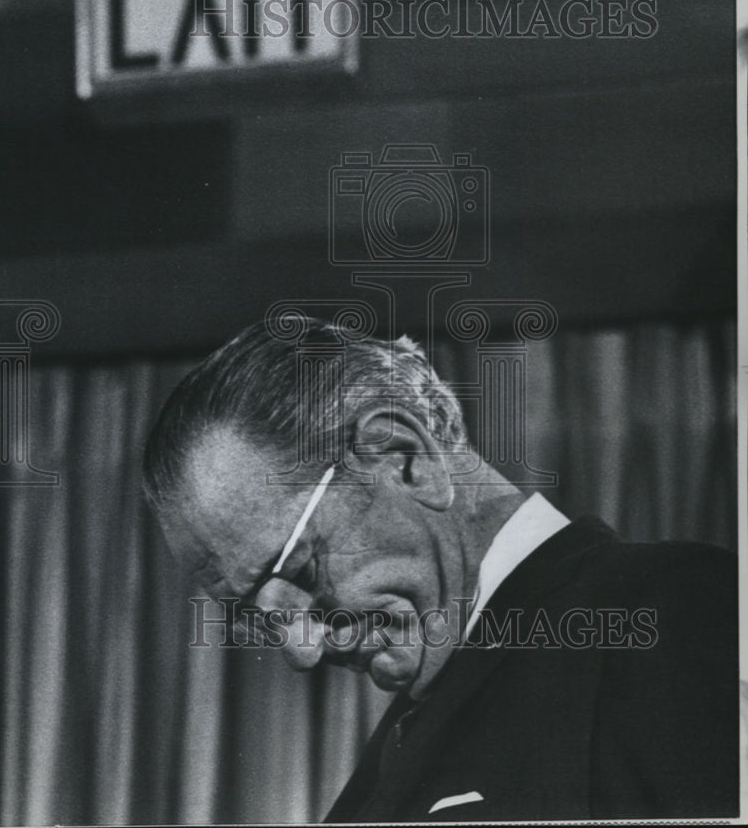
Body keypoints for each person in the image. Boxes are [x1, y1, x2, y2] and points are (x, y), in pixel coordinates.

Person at [143, 318, 739, 822]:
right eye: (260, 620)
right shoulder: (382, 772)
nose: (301, 650)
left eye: (300, 572)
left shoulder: (672, 612)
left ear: (406, 460)